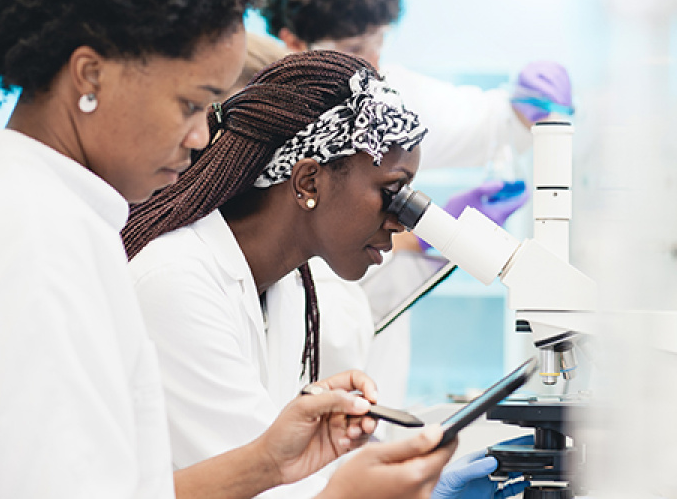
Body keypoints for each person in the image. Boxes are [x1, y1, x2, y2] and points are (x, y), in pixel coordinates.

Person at [0, 0, 458, 498]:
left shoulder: (56, 219)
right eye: (191, 105)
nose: (201, 137)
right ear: (90, 76)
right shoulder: (31, 234)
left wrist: (266, 463)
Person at [122, 50, 527, 499]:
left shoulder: (290, 285)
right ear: (309, 182)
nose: (401, 220)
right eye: (390, 192)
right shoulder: (175, 284)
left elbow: (287, 473)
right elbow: (255, 485)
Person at [260, 0, 573, 409]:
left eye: (380, 40)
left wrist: (523, 106)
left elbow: (486, 125)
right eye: (355, 48)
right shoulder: (267, 117)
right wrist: (424, 238)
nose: (372, 61)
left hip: (369, 379)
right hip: (299, 378)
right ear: (294, 42)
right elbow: (313, 276)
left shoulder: (391, 92)